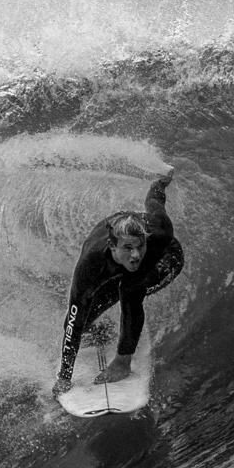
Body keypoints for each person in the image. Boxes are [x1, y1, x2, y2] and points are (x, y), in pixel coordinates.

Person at [54, 167, 185, 396]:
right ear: (112, 247)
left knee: (131, 290)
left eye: (140, 246)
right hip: (115, 263)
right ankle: (99, 330)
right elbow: (73, 321)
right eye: (128, 248)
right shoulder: (90, 266)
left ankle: (123, 361)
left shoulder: (159, 231)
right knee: (79, 322)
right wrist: (64, 378)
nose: (135, 255)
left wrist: (159, 183)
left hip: (166, 259)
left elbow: (154, 201)